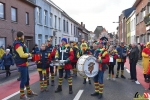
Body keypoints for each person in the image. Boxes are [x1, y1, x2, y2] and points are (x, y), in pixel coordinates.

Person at [13, 31, 37, 100]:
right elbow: (22, 55)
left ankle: (29, 92)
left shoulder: (21, 43)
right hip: (21, 64)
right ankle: (22, 95)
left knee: (27, 79)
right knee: (23, 80)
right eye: (23, 36)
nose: (24, 37)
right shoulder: (18, 44)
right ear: (21, 36)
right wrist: (29, 55)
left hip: (24, 63)